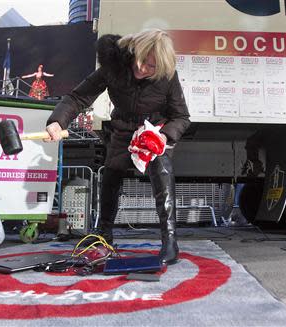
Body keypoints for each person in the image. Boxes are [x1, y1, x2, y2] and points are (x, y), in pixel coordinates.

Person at [44, 29, 191, 265]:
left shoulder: (167, 76)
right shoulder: (114, 66)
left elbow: (181, 117)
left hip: (153, 132)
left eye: (151, 67)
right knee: (111, 174)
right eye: (142, 61)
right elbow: (77, 97)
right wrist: (56, 121)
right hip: (123, 129)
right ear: (135, 52)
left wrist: (163, 137)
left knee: (162, 171)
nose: (143, 69)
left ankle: (170, 240)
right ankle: (104, 234)